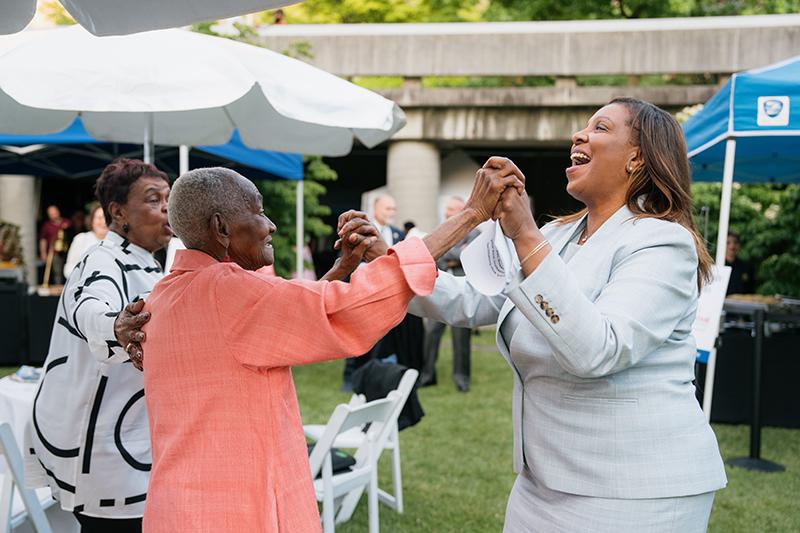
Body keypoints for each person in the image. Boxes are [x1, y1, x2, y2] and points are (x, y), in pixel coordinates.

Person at [392, 98, 726, 531]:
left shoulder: (662, 242)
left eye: (601, 128)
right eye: (583, 127)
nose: (579, 136)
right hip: (542, 481)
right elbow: (476, 298)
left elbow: (598, 350)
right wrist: (387, 267)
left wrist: (525, 233)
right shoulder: (558, 234)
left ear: (637, 157)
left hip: (636, 490)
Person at [139, 166, 521, 532]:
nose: (270, 224)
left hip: (176, 505)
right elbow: (351, 309)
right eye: (258, 212)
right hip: (233, 510)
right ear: (221, 227)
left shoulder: (165, 294)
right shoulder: (228, 292)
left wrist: (338, 273)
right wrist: (472, 214)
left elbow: (284, 321)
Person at [25, 158, 172, 533]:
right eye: (154, 200)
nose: (167, 209)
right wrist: (115, 327)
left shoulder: (151, 264)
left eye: (168, 199)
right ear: (118, 212)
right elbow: (92, 308)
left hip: (131, 437)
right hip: (102, 448)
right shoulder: (101, 260)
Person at [421, 196, 479, 391]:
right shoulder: (440, 231)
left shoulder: (475, 233)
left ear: (462, 210)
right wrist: (455, 253)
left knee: (461, 337)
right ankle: (427, 375)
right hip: (439, 289)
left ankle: (462, 378)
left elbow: (468, 256)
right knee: (430, 334)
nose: (447, 212)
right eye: (446, 208)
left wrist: (450, 253)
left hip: (464, 291)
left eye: (452, 208)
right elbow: (433, 254)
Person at [64, 203, 109, 279]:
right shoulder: (81, 239)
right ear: (92, 220)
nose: (103, 222)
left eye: (107, 218)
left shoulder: (117, 243)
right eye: (99, 218)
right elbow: (69, 268)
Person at [38, 204, 70, 285]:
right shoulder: (47, 226)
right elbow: (43, 240)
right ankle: (58, 287)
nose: (54, 215)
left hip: (67, 251)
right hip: (54, 252)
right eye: (51, 214)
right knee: (57, 271)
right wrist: (43, 253)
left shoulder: (67, 223)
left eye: (54, 213)